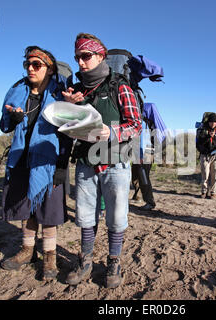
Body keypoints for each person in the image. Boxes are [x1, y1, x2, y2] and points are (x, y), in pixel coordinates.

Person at [62, 33, 142, 288]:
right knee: (85, 215)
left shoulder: (120, 86)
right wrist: (68, 108)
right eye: (77, 58)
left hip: (116, 163)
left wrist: (113, 132)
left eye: (86, 56)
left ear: (100, 55)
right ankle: (85, 260)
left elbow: (136, 125)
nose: (81, 63)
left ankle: (114, 262)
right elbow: (68, 125)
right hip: (86, 162)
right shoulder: (76, 90)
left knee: (117, 216)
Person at [0, 46, 73, 280]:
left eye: (36, 65)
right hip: (21, 157)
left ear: (50, 69)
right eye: (27, 64)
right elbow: (4, 126)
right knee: (26, 207)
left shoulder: (61, 95)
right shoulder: (17, 91)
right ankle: (27, 251)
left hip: (48, 161)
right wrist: (13, 118)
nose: (30, 69)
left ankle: (49, 256)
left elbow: (68, 132)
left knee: (47, 211)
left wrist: (61, 166)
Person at [196, 113, 216, 199]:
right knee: (205, 174)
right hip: (205, 155)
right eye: (212, 122)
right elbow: (199, 143)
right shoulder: (202, 130)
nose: (213, 124)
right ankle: (204, 191)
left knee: (215, 174)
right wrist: (208, 136)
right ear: (208, 122)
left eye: (215, 122)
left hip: (215, 155)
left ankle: (214, 192)